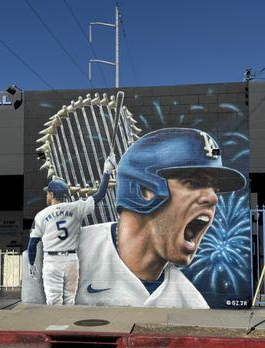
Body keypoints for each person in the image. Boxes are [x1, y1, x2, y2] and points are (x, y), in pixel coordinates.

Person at [75, 128, 246, 308]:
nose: (213, 198)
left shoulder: (192, 306)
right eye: (193, 183)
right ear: (144, 191)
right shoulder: (72, 250)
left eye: (216, 190)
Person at [27, 153, 116, 305]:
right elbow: (100, 195)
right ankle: (67, 327)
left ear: (52, 193)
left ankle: (55, 328)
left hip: (52, 261)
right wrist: (107, 171)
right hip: (71, 260)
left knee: (53, 302)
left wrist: (31, 263)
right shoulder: (76, 207)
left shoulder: (41, 215)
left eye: (48, 193)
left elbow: (32, 245)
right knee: (69, 301)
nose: (47, 196)